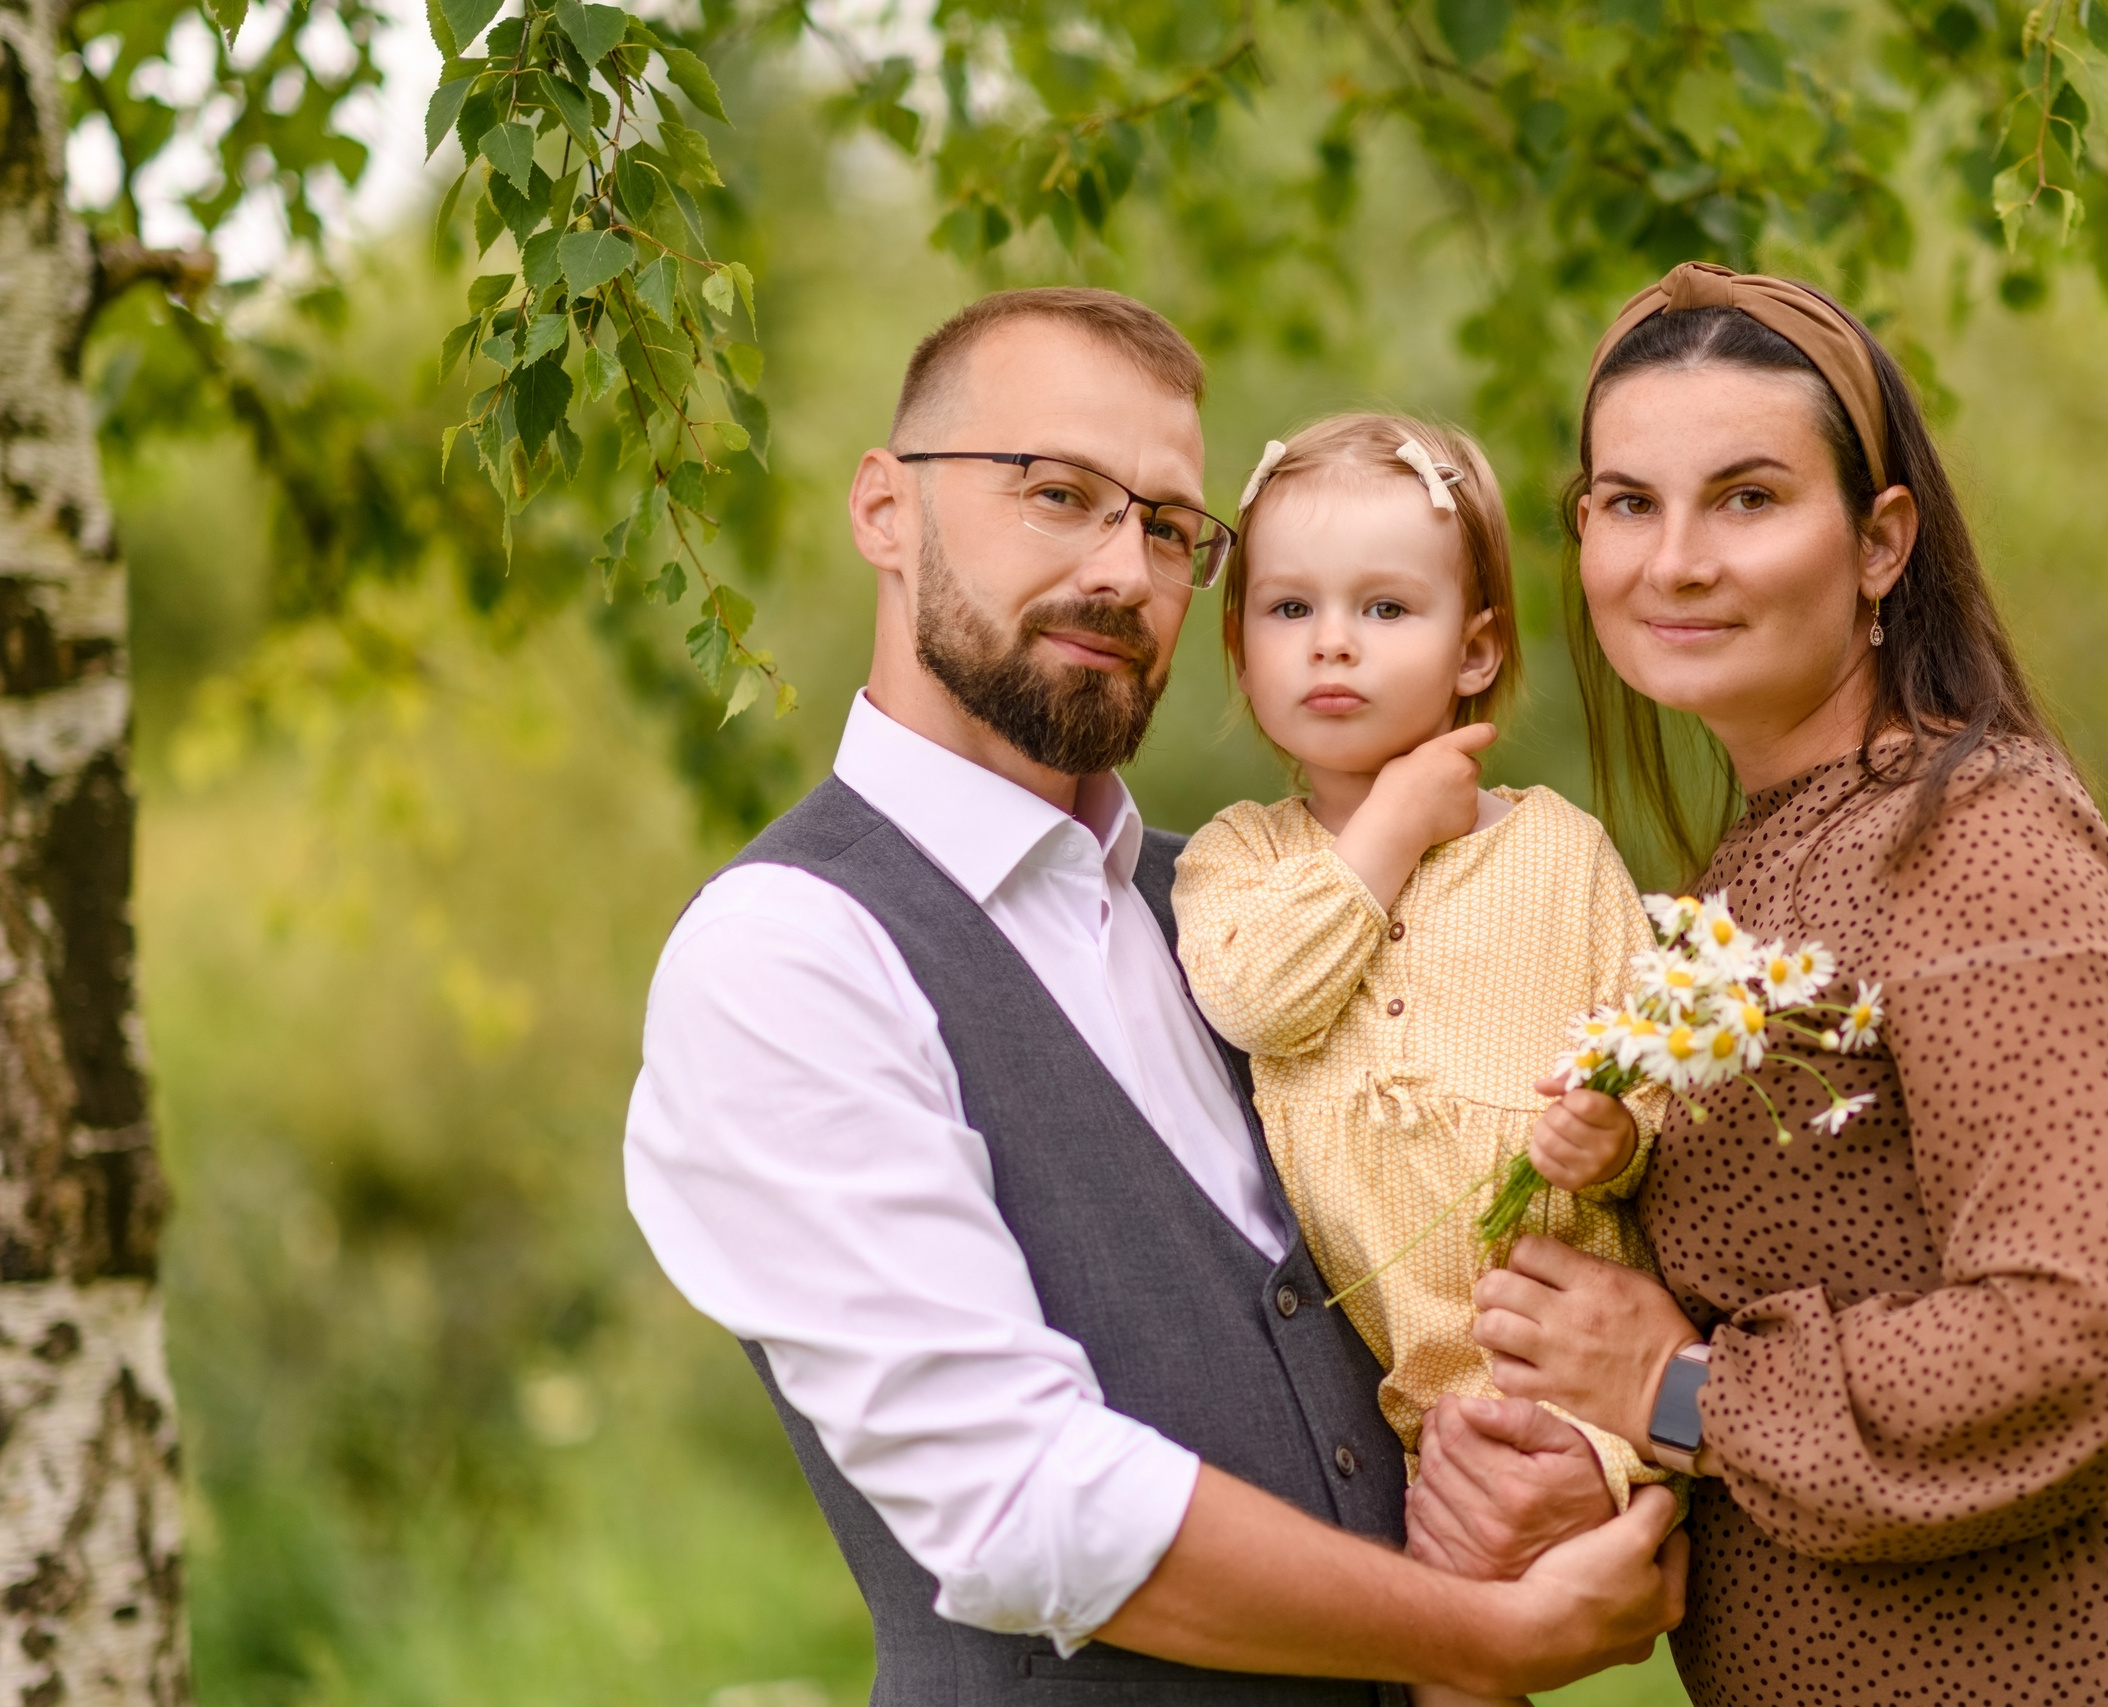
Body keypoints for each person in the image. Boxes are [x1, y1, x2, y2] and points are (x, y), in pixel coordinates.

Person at [623, 288, 1684, 1705]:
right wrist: (1483, 1637)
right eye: (1058, 494)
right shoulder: (789, 955)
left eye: (1172, 527)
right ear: (886, 509)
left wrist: (1627, 1416)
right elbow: (1022, 1502)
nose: (1125, 568)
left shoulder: (1247, 911)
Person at [1416, 262, 2108, 1702]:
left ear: (1880, 540)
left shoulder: (1975, 846)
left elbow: (2090, 1335)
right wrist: (1596, 1459)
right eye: (1628, 504)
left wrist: (1683, 1395)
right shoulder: (1740, 883)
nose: (1675, 563)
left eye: (1748, 498)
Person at [1168, 414, 1674, 1707]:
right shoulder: (1239, 859)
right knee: (1440, 1648)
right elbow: (1254, 1001)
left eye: (1387, 606)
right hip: (1382, 1407)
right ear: (1243, 647)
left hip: (1572, 1375)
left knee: (1494, 1601)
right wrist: (1385, 827)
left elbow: (1652, 1061)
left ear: (1478, 648)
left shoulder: (1559, 854)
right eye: (1288, 607)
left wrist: (1616, 1136)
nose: (1331, 640)